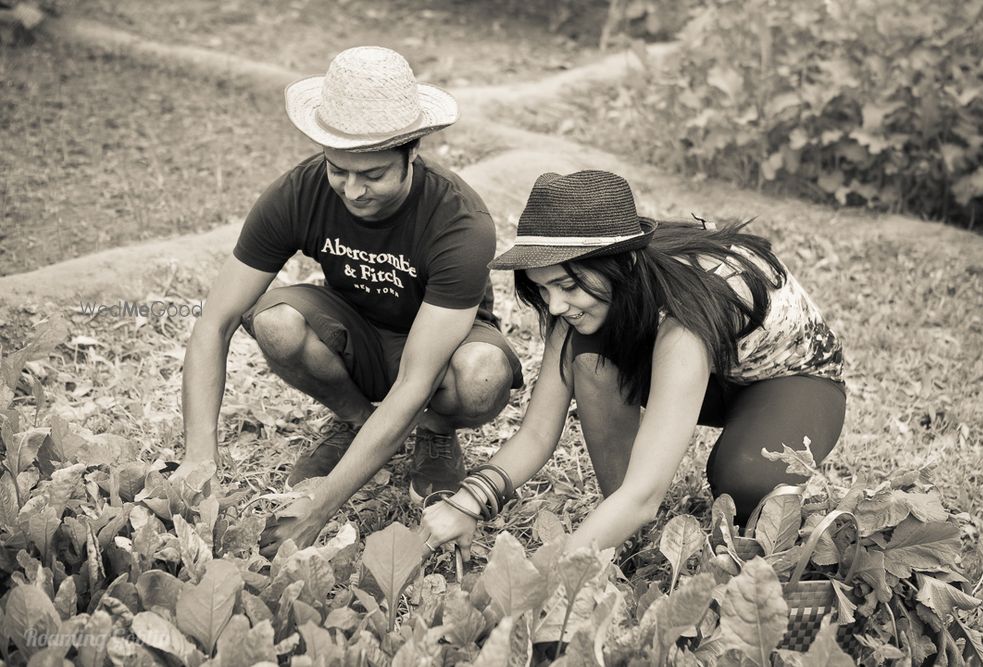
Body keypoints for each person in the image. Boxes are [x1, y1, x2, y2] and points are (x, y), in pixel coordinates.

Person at [172, 46, 523, 556]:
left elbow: (415, 381)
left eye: (373, 174)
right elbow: (214, 322)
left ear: (412, 154)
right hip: (354, 333)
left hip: (438, 352)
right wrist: (198, 458)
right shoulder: (299, 192)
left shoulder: (460, 222)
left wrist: (319, 509)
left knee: (483, 372)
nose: (352, 191)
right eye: (339, 170)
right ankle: (355, 418)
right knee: (275, 321)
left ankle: (437, 432)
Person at [419, 170, 845, 557]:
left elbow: (646, 496)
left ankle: (627, 518)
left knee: (746, 483)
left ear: (622, 264)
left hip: (787, 381)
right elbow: (535, 434)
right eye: (543, 289)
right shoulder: (584, 301)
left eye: (566, 285)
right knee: (589, 361)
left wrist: (552, 572)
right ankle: (620, 528)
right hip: (703, 370)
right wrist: (466, 503)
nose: (555, 304)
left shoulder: (685, 319)